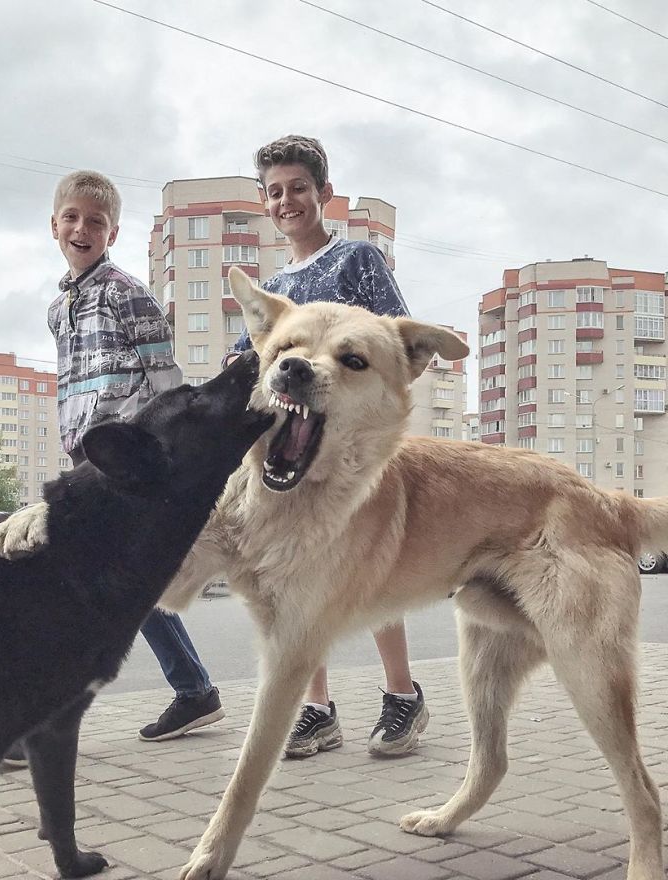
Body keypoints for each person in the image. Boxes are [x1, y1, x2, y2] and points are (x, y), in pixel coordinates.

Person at [3, 170, 223, 767]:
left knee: (76, 583)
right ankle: (194, 689)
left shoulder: (127, 292)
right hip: (90, 456)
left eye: (95, 221)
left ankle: (38, 723)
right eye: (71, 217)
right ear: (54, 225)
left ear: (113, 233)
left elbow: (167, 379)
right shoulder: (59, 307)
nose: (82, 228)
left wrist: (160, 459)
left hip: (129, 460)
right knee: (122, 584)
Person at [226, 135, 429, 759]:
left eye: (299, 189)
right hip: (293, 444)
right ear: (266, 203)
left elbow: (392, 340)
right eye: (276, 192)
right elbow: (256, 359)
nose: (288, 201)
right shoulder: (278, 285)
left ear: (323, 194)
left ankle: (402, 695)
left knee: (367, 565)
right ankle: (316, 708)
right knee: (297, 574)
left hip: (348, 448)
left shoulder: (357, 260)